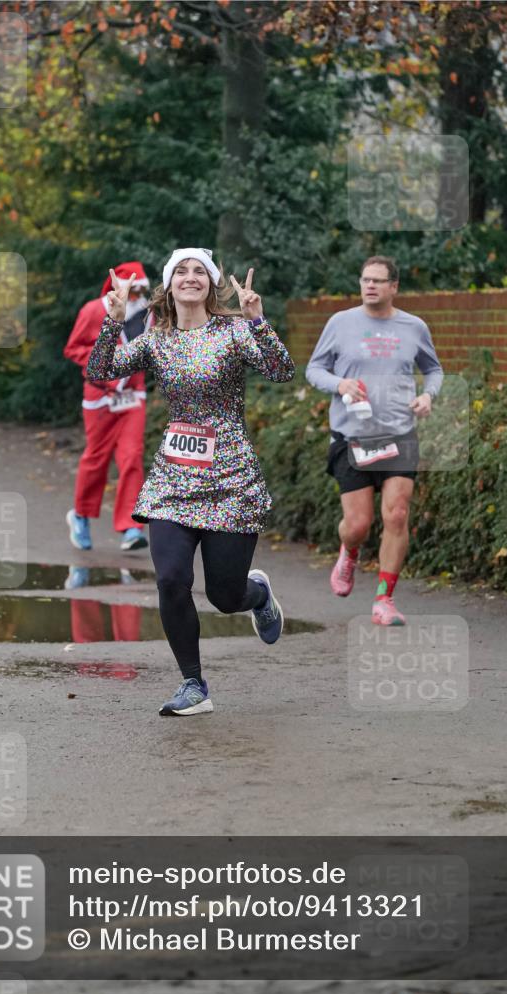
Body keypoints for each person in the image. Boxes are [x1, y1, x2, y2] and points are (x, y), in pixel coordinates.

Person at [86, 248, 295, 716]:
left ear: (212, 283)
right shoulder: (155, 339)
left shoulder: (235, 331)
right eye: (181, 270)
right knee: (172, 580)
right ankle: (193, 685)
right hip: (173, 482)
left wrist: (258, 320)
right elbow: (99, 372)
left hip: (230, 480)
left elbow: (282, 371)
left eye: (200, 270)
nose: (190, 277)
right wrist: (114, 320)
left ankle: (256, 594)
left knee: (224, 596)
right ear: (169, 284)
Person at [306, 256, 443, 626]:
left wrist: (429, 396)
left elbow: (433, 369)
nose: (370, 286)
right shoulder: (340, 323)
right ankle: (349, 552)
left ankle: (385, 600)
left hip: (399, 433)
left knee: (397, 513)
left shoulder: (413, 327)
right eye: (365, 279)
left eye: (378, 281)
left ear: (394, 287)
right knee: (359, 525)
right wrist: (340, 384)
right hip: (352, 438)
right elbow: (314, 369)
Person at [63, 262, 151, 553]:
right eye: (132, 289)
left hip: (132, 397)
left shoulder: (150, 313)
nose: (138, 295)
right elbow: (73, 348)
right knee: (96, 458)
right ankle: (81, 516)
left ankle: (131, 527)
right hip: (100, 397)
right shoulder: (92, 310)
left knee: (132, 457)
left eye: (141, 290)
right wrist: (107, 358)